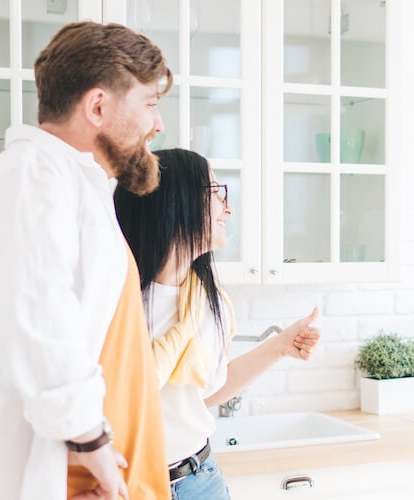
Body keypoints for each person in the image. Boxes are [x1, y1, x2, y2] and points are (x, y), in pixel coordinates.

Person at [0, 21, 173, 500]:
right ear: (98, 106)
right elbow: (33, 317)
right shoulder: (29, 178)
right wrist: (94, 445)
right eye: (150, 104)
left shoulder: (75, 187)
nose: (158, 124)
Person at [113, 148, 322, 499]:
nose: (228, 208)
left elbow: (206, 395)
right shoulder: (118, 301)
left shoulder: (206, 301)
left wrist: (279, 346)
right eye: (216, 194)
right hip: (131, 484)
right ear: (177, 204)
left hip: (201, 478)